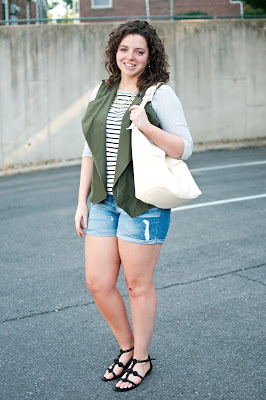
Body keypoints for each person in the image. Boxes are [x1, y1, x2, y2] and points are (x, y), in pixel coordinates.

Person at [75, 19, 193, 392]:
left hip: (143, 204)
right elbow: (90, 150)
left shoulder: (159, 94)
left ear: (149, 56)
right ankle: (127, 348)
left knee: (137, 285)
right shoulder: (104, 89)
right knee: (98, 282)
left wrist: (145, 125)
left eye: (139, 51)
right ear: (114, 52)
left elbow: (184, 148)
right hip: (103, 202)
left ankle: (141, 358)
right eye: (124, 49)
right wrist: (81, 201)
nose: (130, 56)